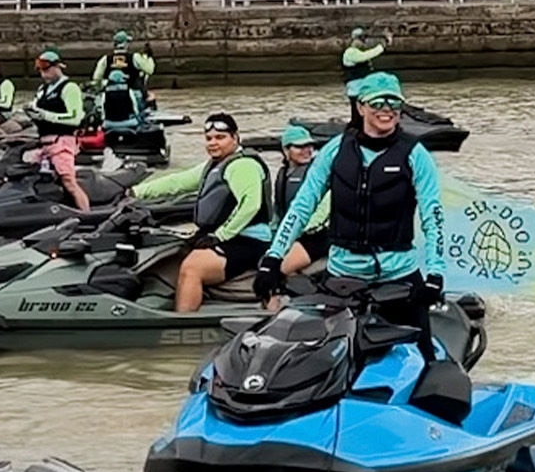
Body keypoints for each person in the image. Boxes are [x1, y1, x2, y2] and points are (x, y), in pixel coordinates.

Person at [255, 72, 446, 352]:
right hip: (342, 276)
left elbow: (434, 217)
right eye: (378, 103)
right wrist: (272, 259)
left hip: (399, 275)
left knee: (423, 358)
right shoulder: (335, 151)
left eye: (394, 104)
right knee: (324, 359)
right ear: (360, 107)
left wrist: (435, 275)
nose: (387, 110)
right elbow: (302, 207)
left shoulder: (416, 155)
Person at [131, 112, 272, 312]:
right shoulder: (214, 165)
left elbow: (250, 204)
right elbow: (177, 182)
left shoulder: (243, 165)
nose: (213, 143)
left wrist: (220, 236)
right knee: (170, 251)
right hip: (223, 236)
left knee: (192, 268)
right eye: (209, 138)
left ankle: (182, 324)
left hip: (247, 241)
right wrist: (135, 192)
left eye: (220, 138)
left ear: (235, 137)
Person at [23, 49, 89, 212]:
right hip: (44, 144)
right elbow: (38, 111)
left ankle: (87, 214)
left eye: (46, 70)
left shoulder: (70, 88)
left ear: (57, 67)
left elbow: (75, 118)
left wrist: (46, 115)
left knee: (68, 181)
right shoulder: (42, 90)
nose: (44, 75)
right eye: (41, 71)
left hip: (62, 142)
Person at [273, 124, 329, 275]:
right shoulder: (282, 174)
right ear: (286, 150)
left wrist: (301, 231)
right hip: (291, 231)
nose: (307, 151)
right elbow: (278, 210)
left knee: (281, 268)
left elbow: (324, 209)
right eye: (300, 147)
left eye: (309, 146)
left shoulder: (319, 173)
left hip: (316, 235)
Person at [91, 30, 155, 95]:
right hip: (132, 94)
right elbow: (150, 70)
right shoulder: (135, 57)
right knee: (150, 97)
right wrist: (148, 57)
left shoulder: (105, 59)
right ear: (126, 44)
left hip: (110, 95)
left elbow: (96, 78)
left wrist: (99, 88)